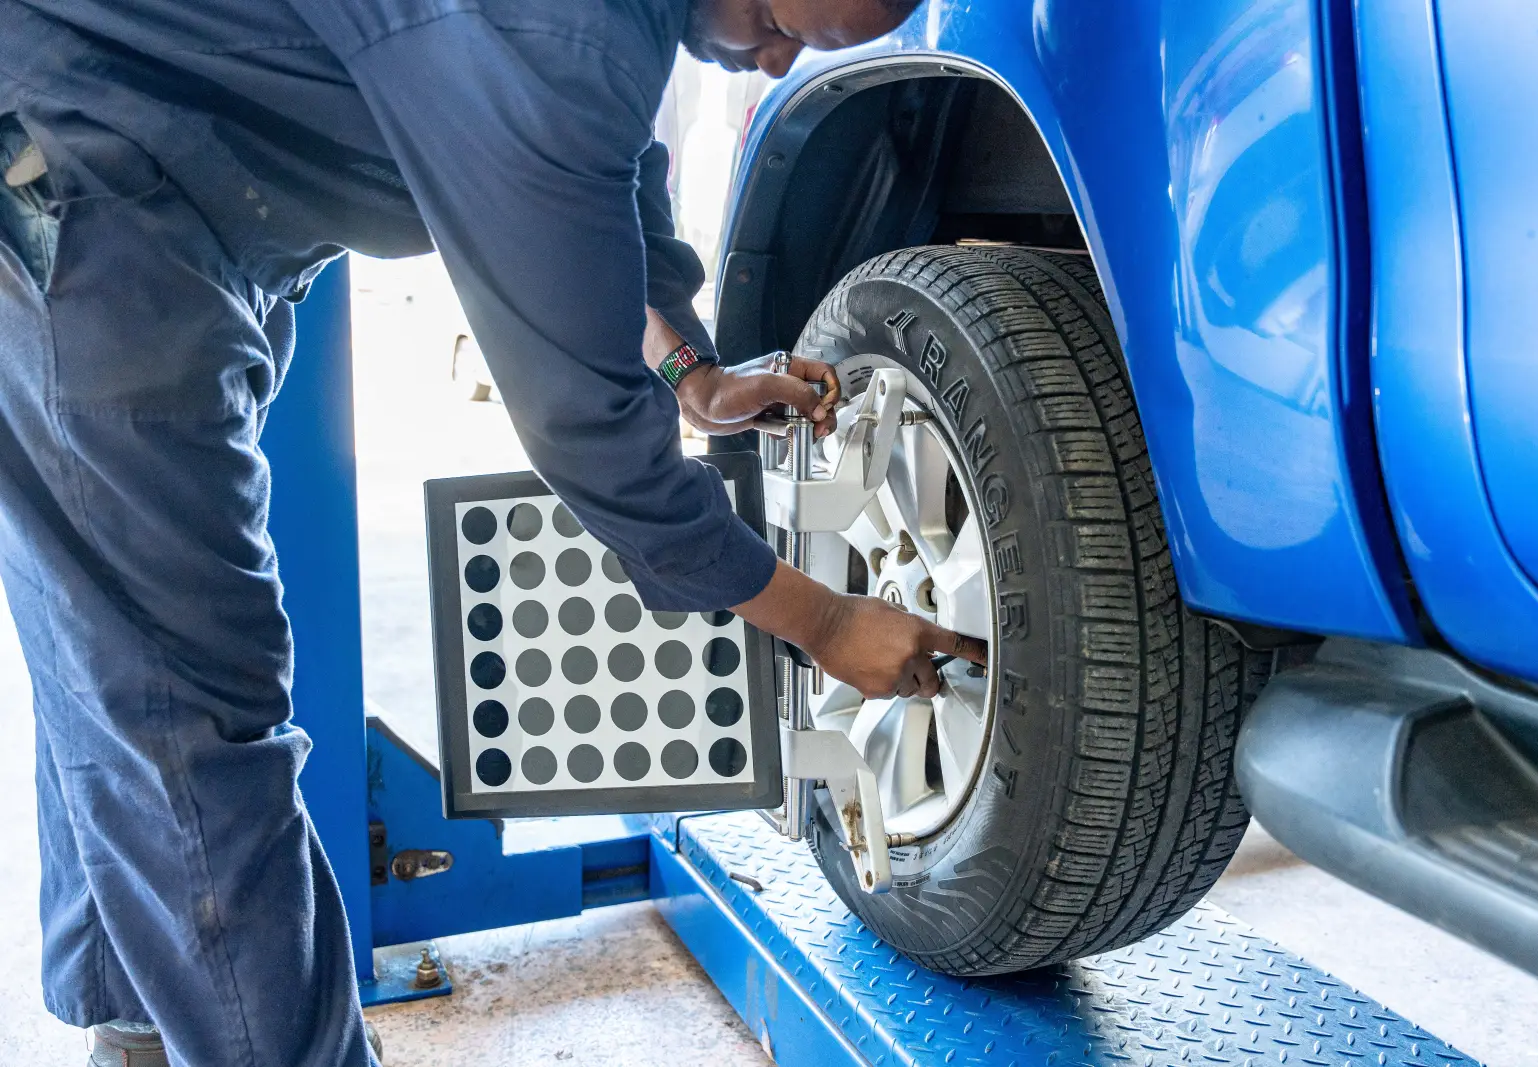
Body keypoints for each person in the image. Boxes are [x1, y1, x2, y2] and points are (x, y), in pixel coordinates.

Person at [0, 0, 987, 1063]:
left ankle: (146, 1029)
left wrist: (693, 376)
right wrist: (822, 620)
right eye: (781, 22)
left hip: (159, 192)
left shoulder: (604, 34)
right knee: (187, 716)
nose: (780, 59)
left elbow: (607, 181)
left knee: (119, 651)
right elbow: (590, 434)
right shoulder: (560, 31)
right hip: (86, 197)